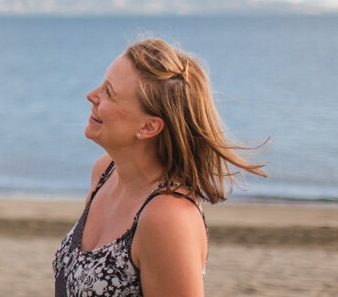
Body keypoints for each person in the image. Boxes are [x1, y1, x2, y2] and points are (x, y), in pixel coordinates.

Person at [53, 38, 267, 296]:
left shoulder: (167, 218)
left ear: (149, 127)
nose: (91, 95)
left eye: (109, 92)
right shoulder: (104, 173)